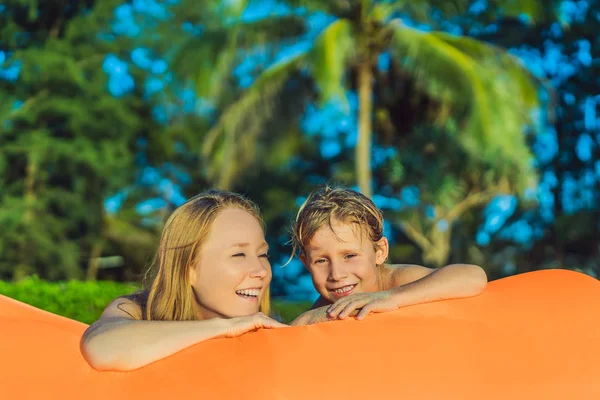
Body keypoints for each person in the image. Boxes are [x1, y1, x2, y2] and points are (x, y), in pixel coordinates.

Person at [80, 190, 286, 371]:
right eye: (239, 255)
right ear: (188, 269)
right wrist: (225, 328)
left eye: (263, 255)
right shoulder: (138, 309)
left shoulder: (271, 329)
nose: (261, 270)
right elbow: (101, 348)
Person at [290, 185, 488, 325]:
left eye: (350, 256)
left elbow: (473, 277)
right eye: (321, 260)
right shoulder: (324, 307)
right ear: (306, 264)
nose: (337, 274)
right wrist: (306, 319)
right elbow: (298, 329)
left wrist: (391, 297)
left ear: (380, 251)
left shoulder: (396, 281)